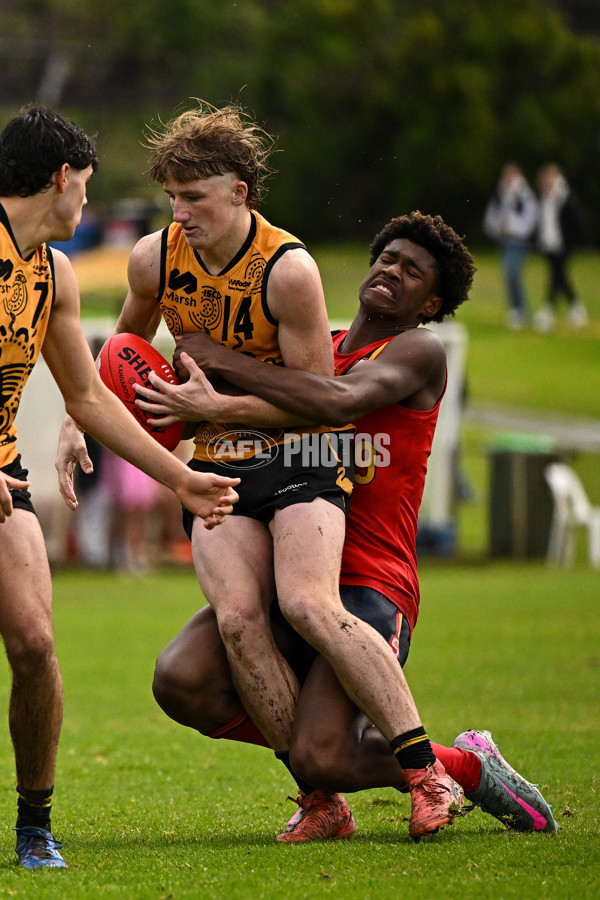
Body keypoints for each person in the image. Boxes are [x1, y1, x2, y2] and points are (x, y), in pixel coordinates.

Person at [57, 105, 466, 842]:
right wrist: (76, 418)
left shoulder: (302, 277)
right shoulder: (155, 256)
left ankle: (434, 769)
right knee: (232, 633)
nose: (180, 214)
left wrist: (219, 386)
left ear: (242, 191)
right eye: (171, 198)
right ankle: (321, 797)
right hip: (219, 465)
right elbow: (116, 351)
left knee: (308, 608)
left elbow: (325, 408)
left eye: (195, 198)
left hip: (314, 487)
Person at [134, 211, 558, 841]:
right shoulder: (312, 344)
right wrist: (164, 406)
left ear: (432, 301)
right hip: (288, 559)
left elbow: (337, 400)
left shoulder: (416, 351)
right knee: (180, 679)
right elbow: (244, 419)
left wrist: (223, 359)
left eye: (412, 271)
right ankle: (323, 775)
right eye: (387, 258)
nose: (392, 271)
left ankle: (465, 766)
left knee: (323, 755)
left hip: (367, 580)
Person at [0, 105, 239, 870]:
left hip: (4, 475)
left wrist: (184, 480)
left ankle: (36, 827)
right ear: (62, 178)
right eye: (87, 191)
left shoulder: (53, 273)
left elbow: (91, 399)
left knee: (35, 643)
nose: (87, 208)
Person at [533, 163, 590, 333]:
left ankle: (551, 310)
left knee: (558, 274)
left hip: (565, 244)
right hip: (550, 243)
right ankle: (572, 308)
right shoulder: (545, 199)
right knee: (558, 276)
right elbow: (543, 223)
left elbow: (578, 222)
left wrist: (586, 243)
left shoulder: (565, 197)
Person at [483, 163, 538, 329]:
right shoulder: (500, 195)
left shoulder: (524, 196)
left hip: (518, 241)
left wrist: (512, 228)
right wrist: (497, 229)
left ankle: (520, 310)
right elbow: (490, 218)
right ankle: (516, 309)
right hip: (504, 241)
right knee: (509, 275)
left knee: (513, 273)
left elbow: (530, 220)